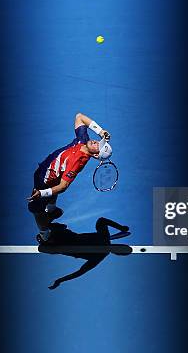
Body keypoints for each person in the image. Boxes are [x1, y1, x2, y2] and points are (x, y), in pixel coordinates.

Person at [27, 113, 112, 242]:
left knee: (36, 210)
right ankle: (52, 211)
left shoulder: (77, 162)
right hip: (49, 171)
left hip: (44, 180)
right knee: (56, 180)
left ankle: (44, 235)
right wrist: (101, 131)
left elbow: (63, 186)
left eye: (98, 147)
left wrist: (42, 193)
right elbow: (80, 117)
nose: (96, 142)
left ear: (95, 156)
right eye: (99, 142)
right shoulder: (82, 140)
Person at [37, 217, 131, 290]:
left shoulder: (100, 254)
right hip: (62, 236)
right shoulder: (104, 240)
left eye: (121, 250)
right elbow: (101, 220)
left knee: (41, 247)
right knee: (46, 226)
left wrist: (60, 280)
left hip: (59, 246)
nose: (119, 248)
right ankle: (53, 221)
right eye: (122, 247)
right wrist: (121, 227)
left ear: (117, 253)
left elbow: (80, 272)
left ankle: (52, 229)